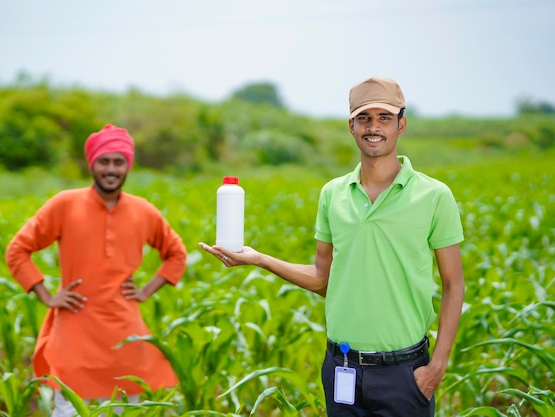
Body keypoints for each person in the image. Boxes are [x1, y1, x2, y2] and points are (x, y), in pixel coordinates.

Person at [199, 77, 465, 416]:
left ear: (402, 124)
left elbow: (454, 284)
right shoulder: (333, 194)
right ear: (351, 126)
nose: (374, 127)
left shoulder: (433, 195)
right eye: (364, 118)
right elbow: (323, 278)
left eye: (384, 118)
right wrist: (259, 259)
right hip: (342, 370)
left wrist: (437, 367)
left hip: (406, 373)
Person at [5, 124, 187, 416]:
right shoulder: (65, 204)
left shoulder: (144, 211)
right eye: (104, 161)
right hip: (74, 331)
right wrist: (47, 296)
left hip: (124, 336)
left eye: (119, 162)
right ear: (92, 164)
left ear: (128, 166)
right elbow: (17, 249)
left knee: (120, 410)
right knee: (68, 410)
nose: (111, 169)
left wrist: (145, 291)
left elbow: (177, 253)